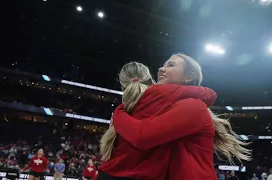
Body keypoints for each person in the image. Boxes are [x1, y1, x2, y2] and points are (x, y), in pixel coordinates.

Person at [102, 54, 251, 180]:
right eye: (163, 65)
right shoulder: (167, 105)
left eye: (171, 65)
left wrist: (119, 113)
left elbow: (142, 136)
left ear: (188, 77)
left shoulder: (193, 106)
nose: (161, 68)